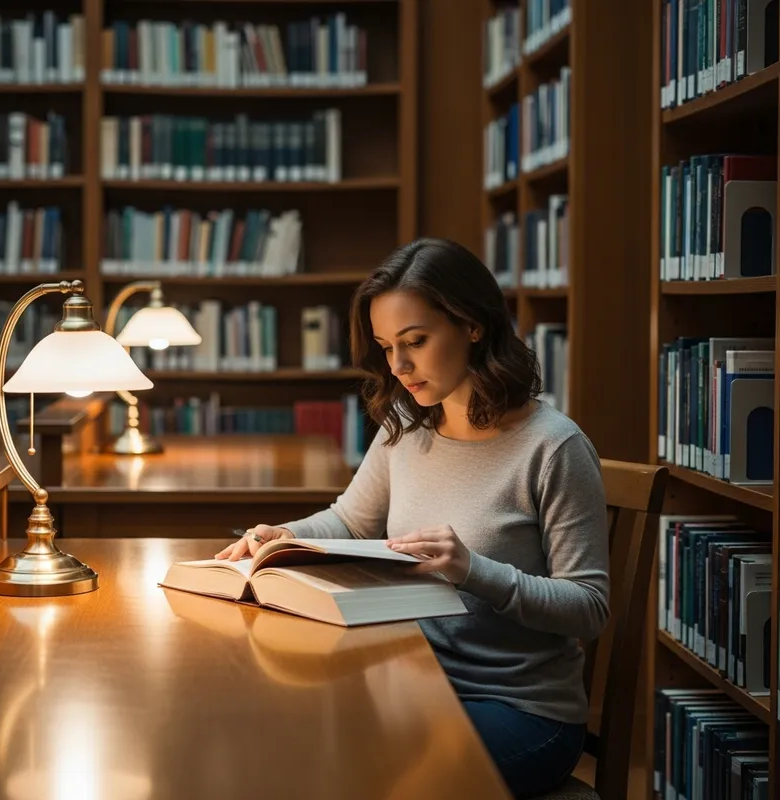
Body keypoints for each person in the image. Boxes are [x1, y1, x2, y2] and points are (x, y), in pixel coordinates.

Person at [215, 237, 610, 799]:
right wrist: (286, 535)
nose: (397, 367)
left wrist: (473, 570)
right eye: (384, 347)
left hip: (521, 710)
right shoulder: (409, 424)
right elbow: (351, 522)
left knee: (372, 774)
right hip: (412, 682)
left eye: (415, 342)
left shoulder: (554, 449)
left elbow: (589, 608)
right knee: (286, 738)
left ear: (472, 325)